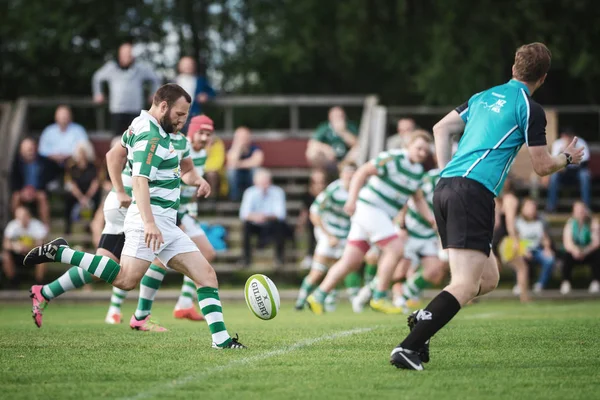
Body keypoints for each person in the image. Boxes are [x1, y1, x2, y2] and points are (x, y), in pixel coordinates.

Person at [390, 42, 584, 371]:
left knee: (488, 278)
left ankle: (424, 322)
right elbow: (540, 166)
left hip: (447, 187)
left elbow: (440, 128)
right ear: (544, 78)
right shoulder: (529, 108)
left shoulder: (482, 96)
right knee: (465, 283)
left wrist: (444, 173)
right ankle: (408, 347)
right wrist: (567, 159)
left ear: (513, 69)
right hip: (472, 192)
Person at [25, 84, 245, 349]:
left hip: (166, 222)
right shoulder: (151, 136)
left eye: (186, 115)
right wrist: (147, 220)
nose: (182, 120)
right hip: (147, 220)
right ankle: (61, 253)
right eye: (180, 114)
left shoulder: (143, 125)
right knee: (126, 280)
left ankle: (221, 341)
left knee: (206, 275)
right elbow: (140, 180)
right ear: (163, 106)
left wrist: (195, 181)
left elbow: (165, 165)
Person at [105, 115, 218, 327]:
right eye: (201, 132)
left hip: (176, 211)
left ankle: (165, 309)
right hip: (158, 211)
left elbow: (186, 178)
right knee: (126, 272)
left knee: (134, 271)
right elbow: (139, 174)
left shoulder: (191, 148)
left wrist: (198, 186)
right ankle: (125, 310)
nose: (204, 137)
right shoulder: (154, 137)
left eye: (209, 134)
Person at [306, 131, 433, 315]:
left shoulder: (417, 172)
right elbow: (362, 171)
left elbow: (418, 199)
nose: (422, 153)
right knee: (396, 248)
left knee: (351, 261)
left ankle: (318, 296)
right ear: (408, 146)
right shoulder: (393, 158)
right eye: (418, 148)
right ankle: (379, 297)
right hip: (370, 208)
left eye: (425, 150)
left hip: (376, 215)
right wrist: (352, 199)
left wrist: (431, 219)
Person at [295, 162, 357, 310]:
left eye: (352, 173)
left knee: (338, 270)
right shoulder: (333, 190)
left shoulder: (359, 190)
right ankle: (300, 302)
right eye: (347, 172)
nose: (349, 176)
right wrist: (328, 236)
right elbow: (314, 212)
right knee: (318, 271)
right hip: (329, 233)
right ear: (341, 174)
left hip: (346, 235)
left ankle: (329, 305)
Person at [93, 42, 161, 136]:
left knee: (136, 138)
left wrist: (154, 94)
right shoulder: (111, 67)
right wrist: (98, 93)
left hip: (135, 110)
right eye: (124, 54)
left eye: (129, 54)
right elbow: (97, 78)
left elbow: (156, 78)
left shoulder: (140, 68)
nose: (127, 56)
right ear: (119, 55)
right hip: (117, 110)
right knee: (117, 139)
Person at [239, 168, 287, 268]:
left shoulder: (278, 192)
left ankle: (279, 259)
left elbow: (281, 214)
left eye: (266, 182)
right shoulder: (250, 192)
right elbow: (243, 214)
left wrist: (266, 217)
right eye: (262, 182)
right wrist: (256, 217)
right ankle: (246, 259)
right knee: (246, 227)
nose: (264, 185)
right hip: (255, 224)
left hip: (271, 224)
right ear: (255, 182)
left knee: (280, 226)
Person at [493, 178, 531, 303]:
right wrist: (515, 241)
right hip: (504, 238)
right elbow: (509, 223)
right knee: (522, 268)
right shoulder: (510, 199)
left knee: (491, 271)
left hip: (496, 238)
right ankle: (524, 298)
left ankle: (471, 298)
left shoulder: (497, 199)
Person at [559, 201, 600, 295]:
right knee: (566, 255)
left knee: (597, 254)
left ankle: (596, 282)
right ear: (573, 212)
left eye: (582, 210)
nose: (580, 213)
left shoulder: (592, 223)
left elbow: (596, 242)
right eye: (577, 211)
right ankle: (566, 282)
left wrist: (585, 251)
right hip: (574, 253)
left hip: (588, 252)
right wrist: (575, 251)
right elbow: (567, 242)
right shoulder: (570, 223)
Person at [546, 128, 591, 212]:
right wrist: (563, 150)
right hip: (562, 172)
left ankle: (586, 207)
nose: (568, 138)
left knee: (585, 175)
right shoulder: (557, 144)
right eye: (565, 136)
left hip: (577, 171)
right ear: (562, 136)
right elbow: (554, 162)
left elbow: (585, 163)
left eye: (570, 136)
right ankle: (551, 206)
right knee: (553, 177)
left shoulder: (581, 142)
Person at [2, 206, 48, 288]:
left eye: (23, 216)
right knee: (5, 256)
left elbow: (42, 244)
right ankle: (13, 283)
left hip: (33, 254)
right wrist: (15, 247)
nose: (21, 219)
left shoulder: (37, 225)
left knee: (43, 257)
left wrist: (29, 247)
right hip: (17, 255)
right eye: (19, 217)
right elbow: (5, 244)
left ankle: (39, 284)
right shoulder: (12, 225)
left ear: (28, 216)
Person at [516, 198, 555, 293]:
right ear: (523, 208)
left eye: (533, 207)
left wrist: (547, 248)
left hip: (537, 250)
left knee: (550, 260)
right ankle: (520, 284)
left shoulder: (541, 221)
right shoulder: (517, 222)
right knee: (517, 258)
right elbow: (515, 239)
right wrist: (523, 251)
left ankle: (540, 284)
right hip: (522, 250)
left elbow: (545, 238)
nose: (531, 209)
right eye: (528, 207)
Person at [10, 138, 52, 227]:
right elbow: (14, 181)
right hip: (23, 191)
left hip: (37, 191)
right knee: (15, 197)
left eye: (32, 149)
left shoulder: (43, 162)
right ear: (22, 151)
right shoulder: (17, 163)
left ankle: (45, 227)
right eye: (27, 150)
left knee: (42, 196)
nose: (30, 152)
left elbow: (46, 179)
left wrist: (34, 190)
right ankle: (16, 225)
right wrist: (23, 191)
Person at [63, 141, 100, 234]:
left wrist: (87, 197)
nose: (82, 155)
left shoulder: (93, 166)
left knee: (97, 199)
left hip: (90, 192)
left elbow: (95, 183)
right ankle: (68, 227)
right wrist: (81, 198)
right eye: (80, 152)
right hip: (77, 193)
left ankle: (91, 226)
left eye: (84, 152)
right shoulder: (72, 167)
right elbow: (72, 184)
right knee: (68, 199)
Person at [38, 105, 89, 173]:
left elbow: (84, 147)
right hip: (51, 162)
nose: (63, 117)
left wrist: (68, 156)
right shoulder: (48, 131)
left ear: (70, 116)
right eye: (61, 115)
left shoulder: (78, 130)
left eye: (65, 115)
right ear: (56, 117)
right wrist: (54, 156)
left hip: (73, 161)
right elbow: (42, 150)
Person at [297, 169, 328, 269]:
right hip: (314, 222)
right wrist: (300, 224)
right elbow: (305, 212)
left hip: (327, 221)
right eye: (316, 182)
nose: (319, 184)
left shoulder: (329, 194)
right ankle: (310, 256)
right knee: (311, 227)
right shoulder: (307, 195)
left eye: (321, 182)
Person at [226, 126, 264, 201]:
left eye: (245, 137)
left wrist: (238, 164)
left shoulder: (255, 148)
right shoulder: (231, 149)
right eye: (239, 137)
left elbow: (257, 162)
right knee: (231, 171)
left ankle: (255, 197)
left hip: (250, 174)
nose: (242, 139)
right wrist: (238, 147)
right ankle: (235, 198)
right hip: (237, 176)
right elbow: (231, 162)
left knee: (257, 171)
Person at [203, 133, 227, 200]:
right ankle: (192, 202)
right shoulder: (198, 144)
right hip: (202, 171)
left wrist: (206, 169)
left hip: (216, 172)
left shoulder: (218, 143)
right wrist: (208, 147)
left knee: (211, 174)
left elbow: (219, 163)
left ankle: (211, 199)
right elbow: (198, 160)